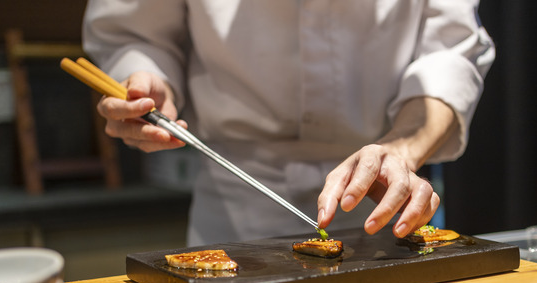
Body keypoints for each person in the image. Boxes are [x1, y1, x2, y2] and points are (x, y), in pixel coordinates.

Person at [82, 1, 495, 245]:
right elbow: (133, 32)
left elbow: (450, 51)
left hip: (384, 202)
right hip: (235, 210)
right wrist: (149, 85)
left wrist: (401, 151)